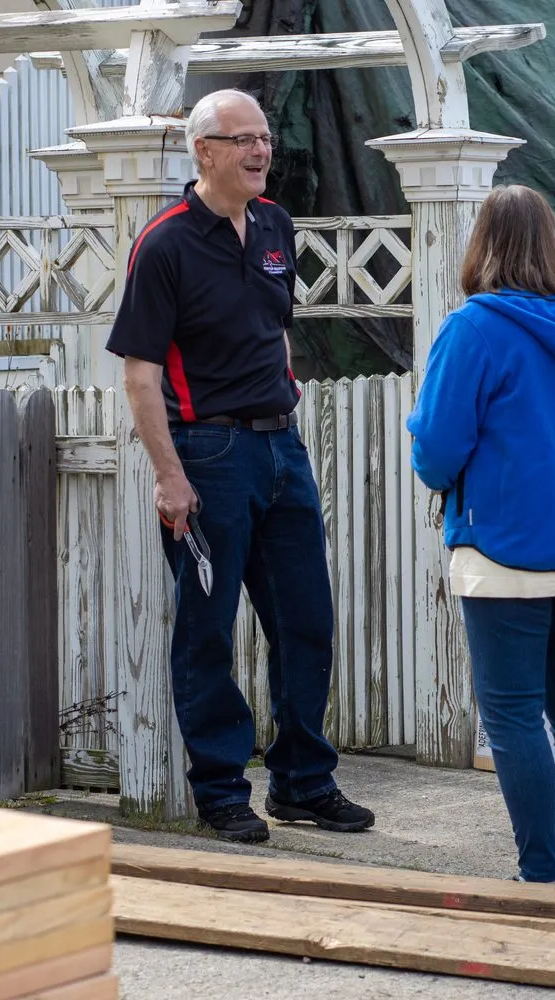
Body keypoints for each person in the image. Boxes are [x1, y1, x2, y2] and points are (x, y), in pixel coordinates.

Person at [105, 89, 374, 843]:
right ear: (205, 151)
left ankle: (303, 783)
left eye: (265, 138)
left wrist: (283, 397)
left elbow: (276, 327)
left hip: (281, 447)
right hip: (208, 454)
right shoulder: (165, 243)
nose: (261, 151)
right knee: (209, 631)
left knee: (306, 622)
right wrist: (169, 474)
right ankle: (221, 792)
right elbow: (139, 373)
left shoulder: (276, 226)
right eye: (244, 140)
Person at [406, 185, 555, 887]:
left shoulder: (473, 329)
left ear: (480, 243)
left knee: (512, 717)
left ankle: (540, 875)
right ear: (551, 243)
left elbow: (436, 450)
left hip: (504, 550)